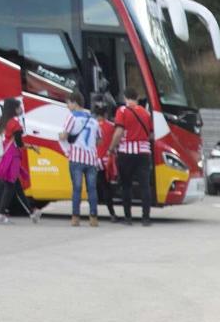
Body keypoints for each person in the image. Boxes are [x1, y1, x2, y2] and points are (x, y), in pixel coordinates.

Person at [108, 93, 156, 226]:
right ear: (137, 98)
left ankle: (128, 218)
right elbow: (151, 134)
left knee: (126, 186)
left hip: (126, 153)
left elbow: (118, 132)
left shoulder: (122, 111)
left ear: (125, 98)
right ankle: (146, 218)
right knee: (145, 186)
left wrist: (111, 148)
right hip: (144, 153)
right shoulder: (146, 113)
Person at [61, 91, 103, 228]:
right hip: (91, 159)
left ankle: (75, 218)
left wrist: (60, 136)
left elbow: (65, 135)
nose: (68, 106)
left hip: (76, 158)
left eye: (69, 103)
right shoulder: (93, 119)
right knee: (92, 189)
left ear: (75, 103)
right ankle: (93, 218)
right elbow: (99, 140)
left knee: (77, 189)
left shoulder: (71, 117)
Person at [0, 112, 33, 225]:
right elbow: (19, 143)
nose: (20, 109)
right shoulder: (14, 124)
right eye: (18, 106)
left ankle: (31, 213)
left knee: (15, 187)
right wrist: (31, 147)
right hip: (12, 158)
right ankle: (0, 214)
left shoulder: (1, 123)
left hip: (3, 158)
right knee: (10, 186)